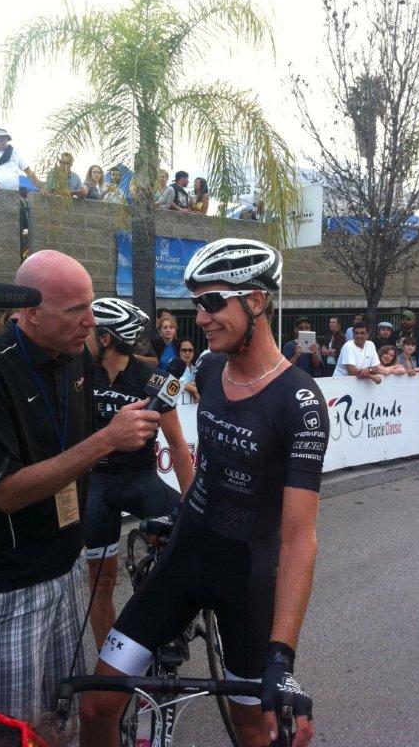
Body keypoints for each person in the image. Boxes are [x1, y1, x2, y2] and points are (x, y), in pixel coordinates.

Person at [80, 238, 329, 747]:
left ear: (256, 301)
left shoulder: (300, 402)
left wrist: (282, 658)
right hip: (185, 555)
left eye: (213, 301)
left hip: (245, 578)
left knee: (252, 732)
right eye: (197, 302)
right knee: (96, 704)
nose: (202, 316)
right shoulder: (210, 368)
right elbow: (172, 428)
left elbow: (300, 540)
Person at [0, 250, 162, 719]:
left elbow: (73, 449)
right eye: (74, 310)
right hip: (7, 587)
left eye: (91, 305)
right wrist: (108, 440)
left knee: (55, 719)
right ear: (29, 312)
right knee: (8, 728)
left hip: (65, 567)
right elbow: (5, 493)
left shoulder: (75, 357)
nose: (90, 321)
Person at [84, 298, 194, 649]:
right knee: (101, 583)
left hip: (141, 477)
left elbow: (177, 445)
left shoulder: (152, 378)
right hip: (97, 482)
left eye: (89, 331)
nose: (82, 336)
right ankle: (108, 664)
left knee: (184, 545)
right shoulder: (78, 374)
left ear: (105, 338)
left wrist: (191, 501)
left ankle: (166, 629)